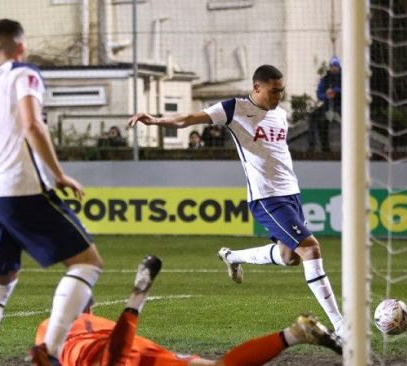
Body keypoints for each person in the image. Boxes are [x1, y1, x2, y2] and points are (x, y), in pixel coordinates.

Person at [127, 65, 345, 339]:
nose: (279, 96)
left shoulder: (280, 114)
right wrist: (158, 121)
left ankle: (232, 257)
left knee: (290, 258)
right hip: (267, 197)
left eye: (281, 90)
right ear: (256, 88)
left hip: (291, 193)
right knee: (311, 250)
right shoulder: (234, 109)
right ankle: (340, 326)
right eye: (273, 90)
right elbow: (190, 118)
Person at [0, 19, 103, 366]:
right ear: (20, 46)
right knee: (87, 263)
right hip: (20, 186)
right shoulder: (24, 73)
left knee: (0, 280)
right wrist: (58, 175)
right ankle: (50, 352)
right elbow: (31, 123)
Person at [34, 256, 342, 366]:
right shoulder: (88, 318)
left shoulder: (48, 328)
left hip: (112, 354)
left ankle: (137, 296)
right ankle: (296, 333)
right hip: (133, 351)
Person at [309, 56, 342, 152]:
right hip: (328, 104)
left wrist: (336, 91)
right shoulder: (325, 79)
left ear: (339, 67)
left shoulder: (345, 78)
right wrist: (326, 95)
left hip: (341, 105)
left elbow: (349, 91)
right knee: (314, 117)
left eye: (335, 66)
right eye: (332, 66)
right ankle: (317, 145)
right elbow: (319, 94)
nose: (334, 68)